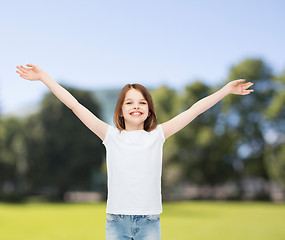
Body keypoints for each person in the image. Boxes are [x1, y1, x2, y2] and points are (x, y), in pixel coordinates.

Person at [16, 64, 254, 240]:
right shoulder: (110, 135)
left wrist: (225, 90)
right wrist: (44, 78)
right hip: (116, 224)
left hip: (150, 224)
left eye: (142, 102)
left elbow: (193, 111)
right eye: (129, 102)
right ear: (120, 111)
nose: (136, 106)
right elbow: (74, 105)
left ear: (149, 110)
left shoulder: (158, 135)